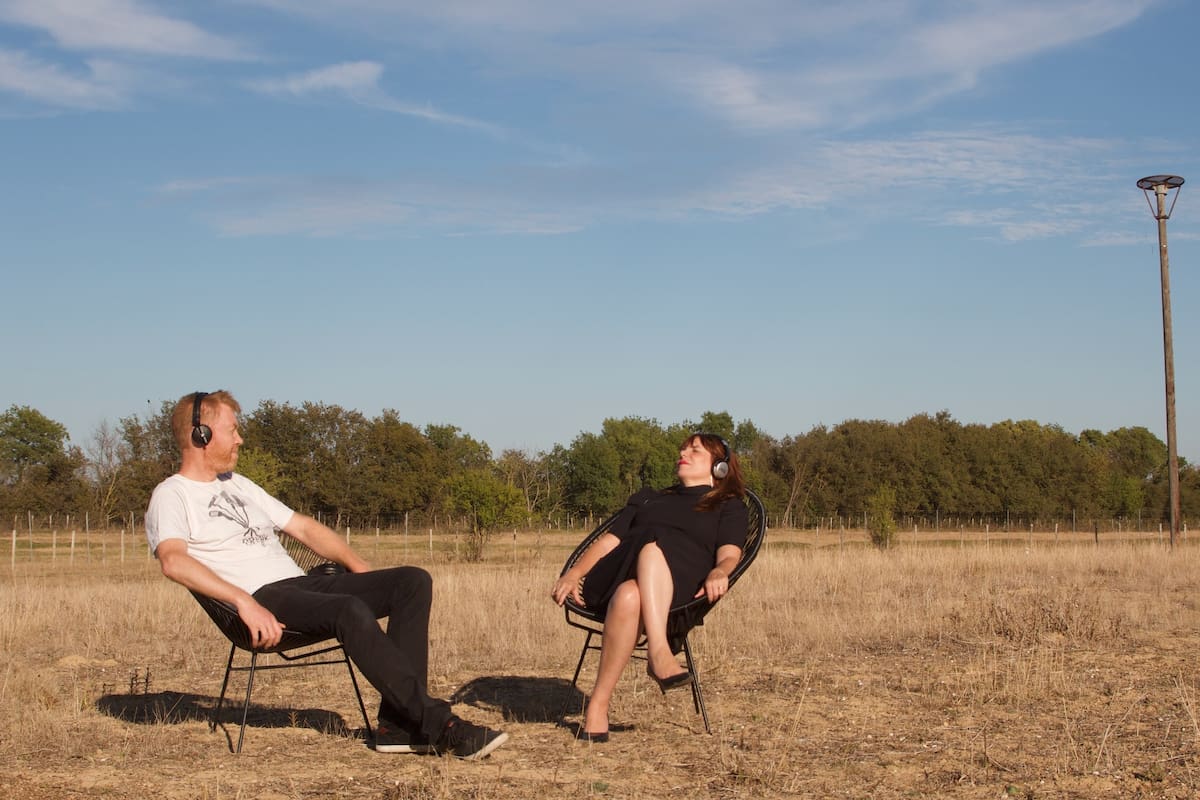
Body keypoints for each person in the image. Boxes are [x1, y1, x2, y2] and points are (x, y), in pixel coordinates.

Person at [144, 390, 507, 760]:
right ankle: (439, 724)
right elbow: (173, 561)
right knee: (347, 608)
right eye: (233, 430)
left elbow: (303, 528)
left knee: (412, 582)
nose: (240, 438)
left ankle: (397, 727)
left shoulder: (237, 484)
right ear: (200, 435)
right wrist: (243, 602)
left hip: (303, 587)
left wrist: (361, 570)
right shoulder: (172, 495)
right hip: (261, 598)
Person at [550, 433, 749, 742]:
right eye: (684, 448)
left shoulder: (728, 506)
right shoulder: (650, 498)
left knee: (631, 595)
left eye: (695, 450)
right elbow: (610, 541)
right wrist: (573, 573)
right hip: (612, 577)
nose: (684, 452)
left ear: (719, 468)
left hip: (676, 591)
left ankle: (597, 707)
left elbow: (730, 551)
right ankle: (659, 652)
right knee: (652, 545)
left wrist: (720, 571)